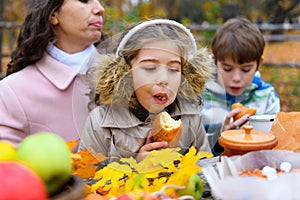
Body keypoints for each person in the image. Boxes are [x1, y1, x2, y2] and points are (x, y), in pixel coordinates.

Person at [79, 19, 213, 162]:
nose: (164, 79)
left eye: (174, 69)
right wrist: (137, 170)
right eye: (150, 68)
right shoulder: (100, 124)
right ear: (125, 73)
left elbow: (206, 171)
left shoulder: (190, 118)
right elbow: (86, 181)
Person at [0, 0, 105, 150]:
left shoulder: (130, 77)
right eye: (84, 0)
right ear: (53, 14)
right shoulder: (13, 92)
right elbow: (7, 167)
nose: (100, 9)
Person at [201, 17, 280, 156]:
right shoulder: (200, 97)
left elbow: (276, 147)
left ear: (259, 64)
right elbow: (192, 154)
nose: (236, 78)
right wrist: (222, 141)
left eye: (245, 70)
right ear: (214, 61)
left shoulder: (268, 97)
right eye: (227, 69)